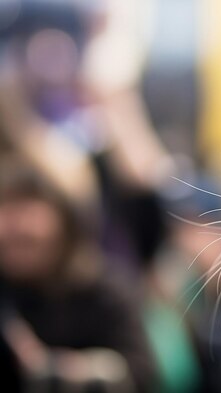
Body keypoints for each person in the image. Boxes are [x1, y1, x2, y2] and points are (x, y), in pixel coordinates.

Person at [0, 156, 157, 393]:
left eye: (25, 209)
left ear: (64, 220)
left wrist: (62, 368)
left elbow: (140, 373)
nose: (13, 228)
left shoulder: (104, 290)